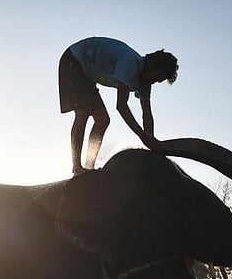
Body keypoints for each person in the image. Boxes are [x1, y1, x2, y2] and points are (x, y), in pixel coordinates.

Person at [59, 37, 178, 175]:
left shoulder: (145, 83)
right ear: (151, 65)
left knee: (102, 119)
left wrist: (151, 141)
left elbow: (146, 113)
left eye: (158, 81)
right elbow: (121, 106)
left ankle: (89, 166)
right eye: (156, 77)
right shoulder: (131, 63)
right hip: (74, 60)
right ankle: (77, 168)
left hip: (88, 76)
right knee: (83, 111)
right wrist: (142, 136)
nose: (154, 82)